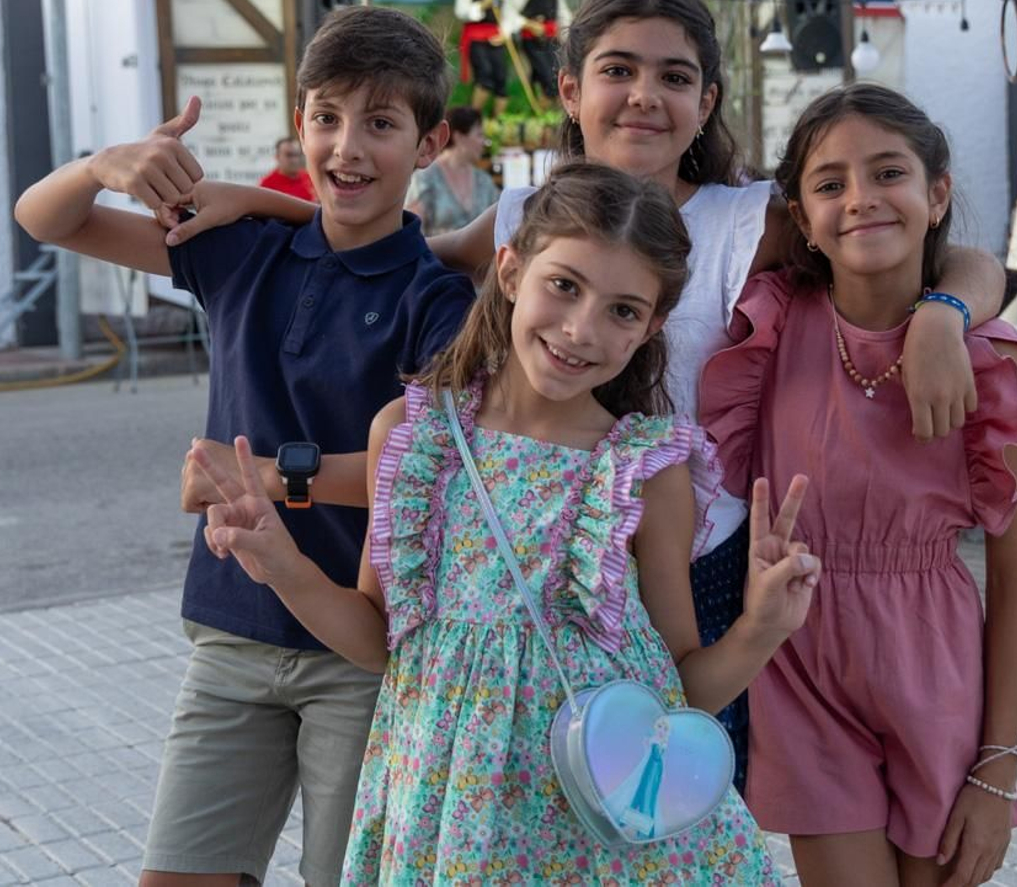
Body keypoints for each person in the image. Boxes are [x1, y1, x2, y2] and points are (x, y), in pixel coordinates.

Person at [159, 0, 1007, 792]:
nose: (643, 95)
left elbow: (935, 245)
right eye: (617, 70)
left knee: (657, 803)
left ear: (706, 102)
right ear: (570, 90)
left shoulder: (747, 218)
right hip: (518, 550)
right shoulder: (523, 211)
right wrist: (260, 203)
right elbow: (390, 238)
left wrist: (942, 312)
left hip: (692, 558)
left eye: (673, 76)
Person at [192, 166, 817, 883]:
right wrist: (280, 561)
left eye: (622, 310)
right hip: (453, 818)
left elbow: (679, 693)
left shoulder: (644, 468)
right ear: (512, 270)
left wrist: (761, 627)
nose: (581, 328)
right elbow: (374, 639)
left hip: (600, 842)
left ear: (652, 325)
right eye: (565, 285)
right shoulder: (413, 435)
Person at [15, 5, 475, 887]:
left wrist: (271, 480)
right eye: (327, 117)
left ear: (429, 143)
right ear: (298, 121)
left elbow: (431, 475)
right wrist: (100, 165)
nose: (347, 147)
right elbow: (48, 221)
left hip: (363, 645)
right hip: (232, 629)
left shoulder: (438, 300)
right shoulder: (244, 251)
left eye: (381, 123)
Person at [700, 83, 1017, 887]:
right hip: (799, 663)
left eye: (888, 173)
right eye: (830, 184)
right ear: (800, 216)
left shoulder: (992, 360)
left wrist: (997, 768)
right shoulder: (770, 324)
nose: (861, 199)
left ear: (937, 194)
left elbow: (1012, 575)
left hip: (933, 669)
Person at [406, 106, 499, 235]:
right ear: (459, 137)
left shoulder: (484, 181)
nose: (483, 142)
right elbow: (412, 233)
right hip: (434, 255)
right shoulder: (426, 178)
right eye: (479, 135)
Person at [503, 0, 572, 109]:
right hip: (532, 40)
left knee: (553, 75)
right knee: (549, 78)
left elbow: (562, 11)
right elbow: (509, 10)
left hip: (551, 39)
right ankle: (543, 113)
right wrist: (528, 23)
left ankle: (544, 115)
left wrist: (567, 36)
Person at [455, 0, 509, 116]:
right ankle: (472, 122)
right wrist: (481, 5)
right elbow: (461, 11)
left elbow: (507, 11)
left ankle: (495, 124)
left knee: (501, 79)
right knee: (484, 77)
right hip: (476, 36)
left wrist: (505, 31)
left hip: (495, 36)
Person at [258, 135, 312, 201]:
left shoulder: (310, 179)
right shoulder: (267, 186)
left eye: (297, 155)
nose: (294, 160)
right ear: (277, 157)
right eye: (289, 155)